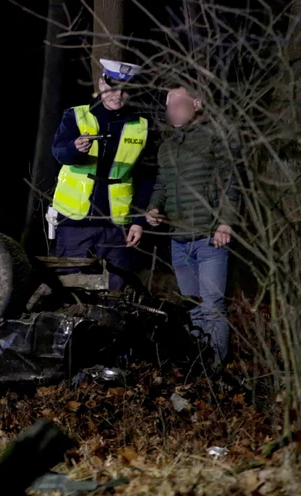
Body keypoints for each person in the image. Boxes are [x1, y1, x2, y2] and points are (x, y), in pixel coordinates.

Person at [146, 85, 240, 364]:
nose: (170, 110)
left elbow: (231, 184)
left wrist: (226, 223)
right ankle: (199, 365)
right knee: (193, 308)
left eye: (176, 104)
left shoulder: (215, 139)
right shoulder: (167, 146)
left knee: (213, 307)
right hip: (179, 239)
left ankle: (217, 369)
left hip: (210, 238)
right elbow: (161, 184)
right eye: (168, 106)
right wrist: (153, 207)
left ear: (196, 104)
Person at [50, 59, 154, 290]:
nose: (118, 95)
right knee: (69, 287)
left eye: (126, 90)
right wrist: (74, 149)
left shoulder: (142, 126)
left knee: (115, 290)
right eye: (113, 87)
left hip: (116, 225)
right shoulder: (76, 116)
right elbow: (58, 152)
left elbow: (146, 178)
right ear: (101, 84)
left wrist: (138, 221)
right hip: (75, 221)